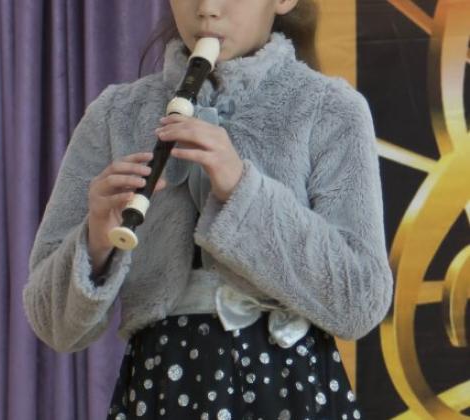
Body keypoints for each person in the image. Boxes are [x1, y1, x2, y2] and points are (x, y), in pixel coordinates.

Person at [23, 0, 393, 419]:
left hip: (289, 390)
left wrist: (242, 191)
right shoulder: (116, 114)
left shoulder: (331, 108)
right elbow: (51, 323)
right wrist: (94, 241)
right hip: (163, 386)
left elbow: (360, 302)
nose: (207, 9)